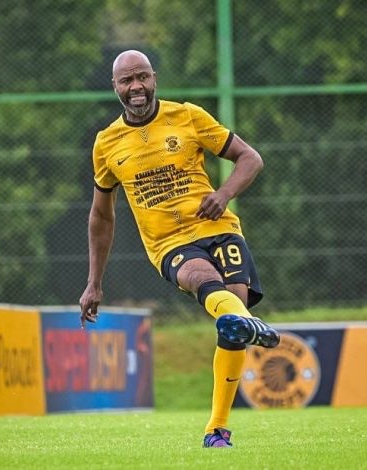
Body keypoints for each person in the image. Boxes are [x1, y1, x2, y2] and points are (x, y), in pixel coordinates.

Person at [78, 50, 280, 448]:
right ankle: (246, 325)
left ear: (154, 78)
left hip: (220, 228)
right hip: (169, 244)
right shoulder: (106, 145)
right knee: (202, 279)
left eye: (142, 77)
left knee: (231, 321)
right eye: (126, 81)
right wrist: (93, 282)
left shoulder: (187, 116)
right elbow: (101, 217)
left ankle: (217, 429)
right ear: (115, 87)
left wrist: (223, 194)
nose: (136, 87)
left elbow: (249, 159)